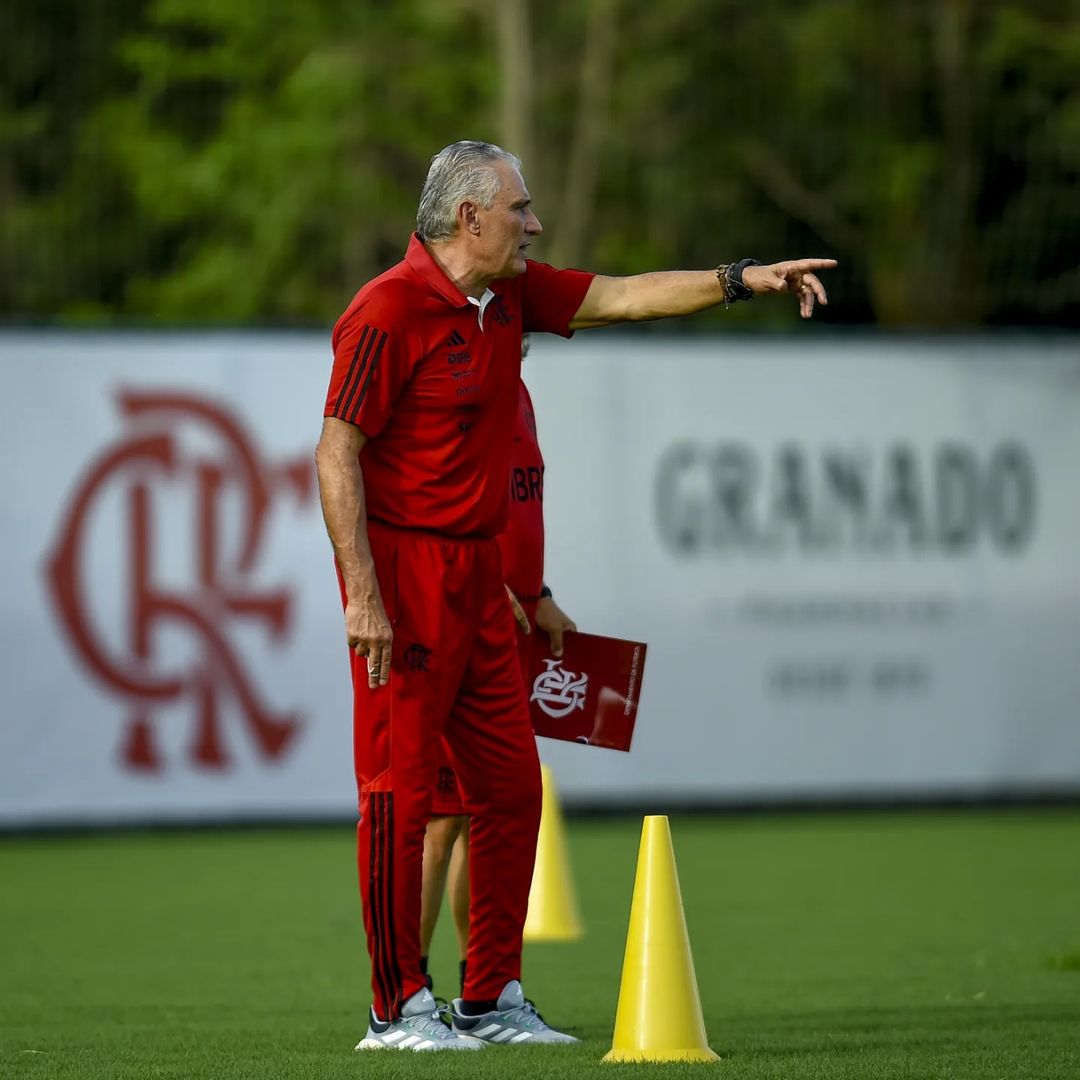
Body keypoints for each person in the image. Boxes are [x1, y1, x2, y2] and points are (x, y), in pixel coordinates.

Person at [315, 139, 834, 1052]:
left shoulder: (510, 294)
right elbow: (336, 453)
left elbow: (629, 295)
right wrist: (363, 595)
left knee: (512, 790)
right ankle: (394, 1009)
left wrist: (742, 278)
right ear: (470, 217)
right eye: (521, 207)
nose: (536, 223)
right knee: (400, 796)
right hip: (406, 579)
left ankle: (489, 997)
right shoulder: (384, 311)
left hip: (482, 582)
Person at [419, 335, 577, 1003]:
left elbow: (517, 507)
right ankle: (405, 991)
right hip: (462, 624)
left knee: (486, 811)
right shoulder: (459, 401)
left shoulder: (518, 396)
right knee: (439, 818)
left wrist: (536, 595)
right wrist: (488, 587)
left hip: (508, 627)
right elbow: (438, 512)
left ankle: (478, 988)